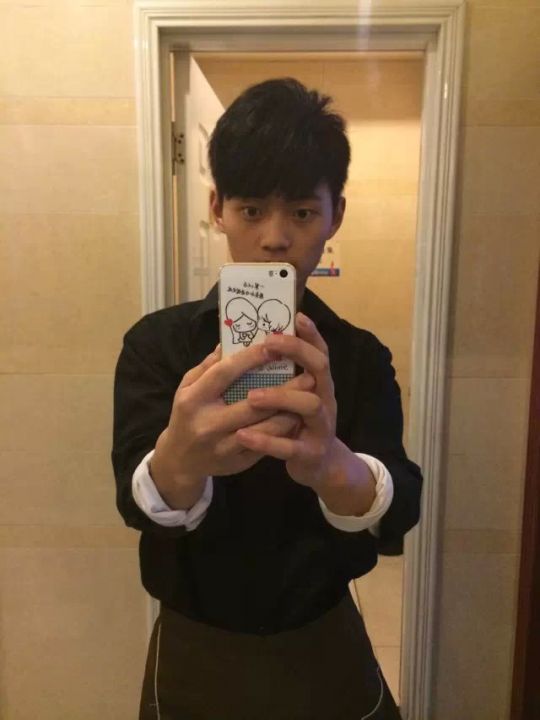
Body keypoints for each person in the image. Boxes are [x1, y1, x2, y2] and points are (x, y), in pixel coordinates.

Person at [112, 78, 423, 720]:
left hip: (324, 636)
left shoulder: (358, 356)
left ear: (336, 214)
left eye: (302, 213)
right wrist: (180, 459)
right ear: (218, 208)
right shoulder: (157, 346)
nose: (275, 238)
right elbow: (133, 501)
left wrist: (333, 467)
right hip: (193, 646)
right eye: (252, 210)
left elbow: (402, 507)